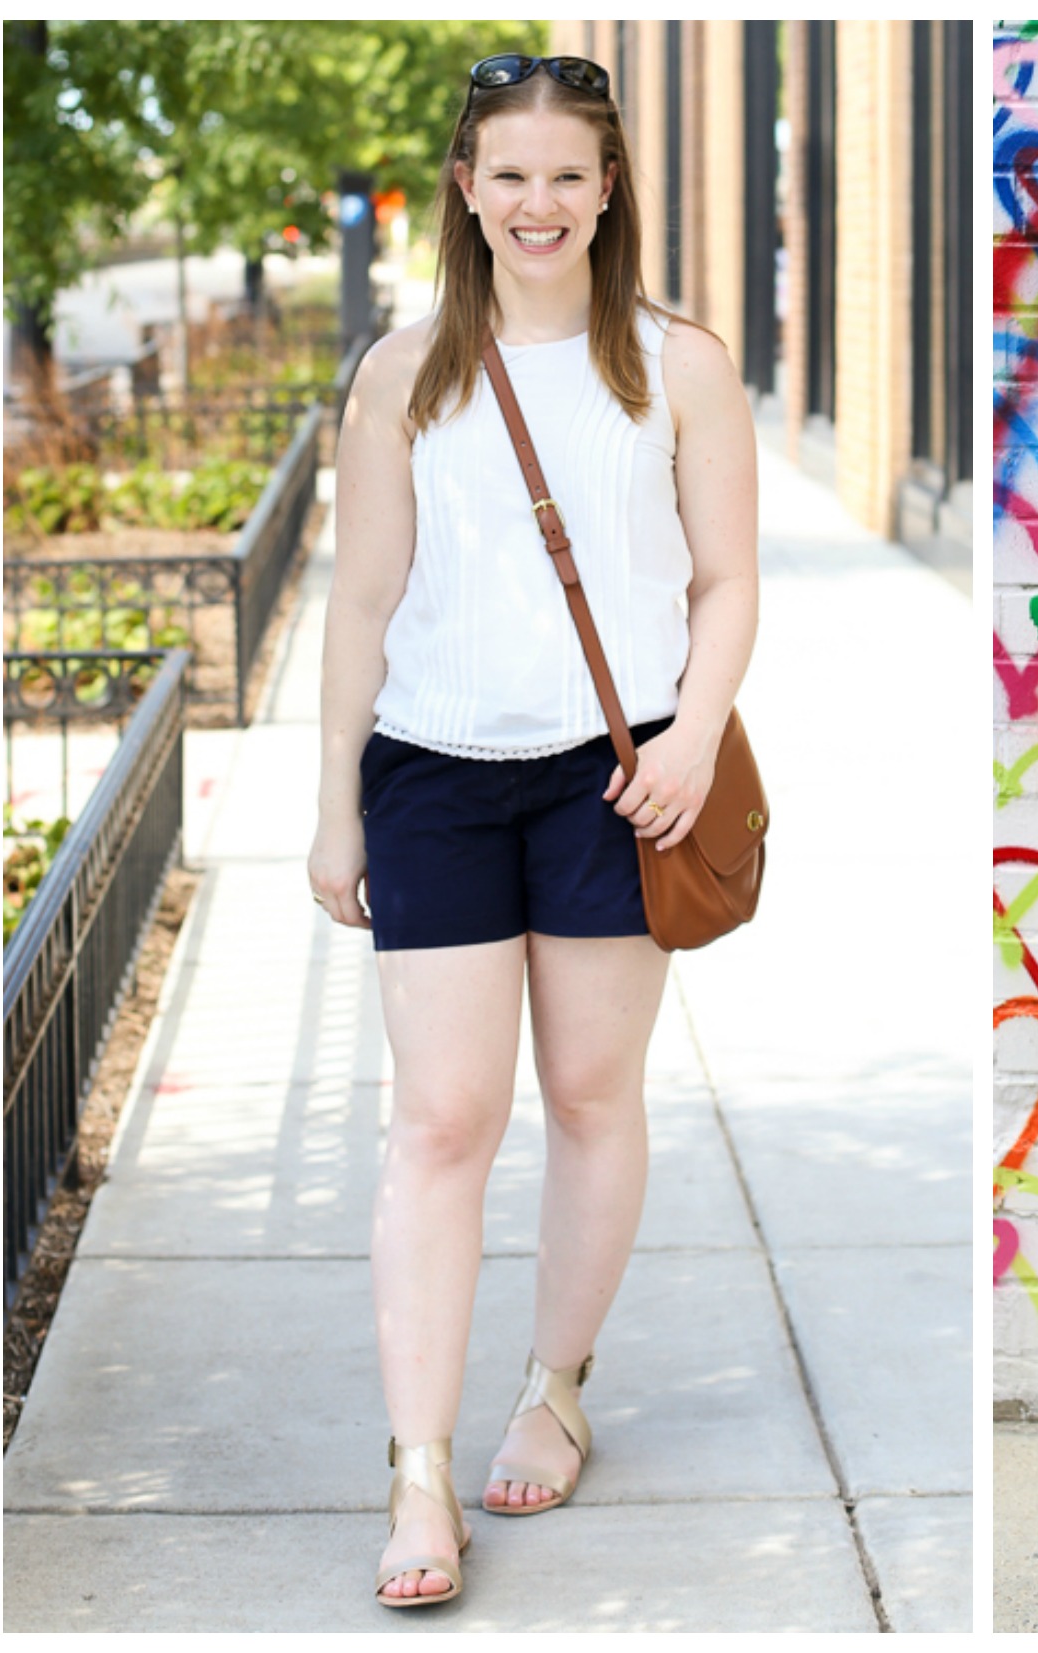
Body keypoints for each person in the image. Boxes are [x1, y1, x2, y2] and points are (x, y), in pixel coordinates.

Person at [306, 53, 758, 1607]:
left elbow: (724, 580)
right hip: (431, 773)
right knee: (440, 1118)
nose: (538, 202)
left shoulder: (678, 365)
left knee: (585, 1091)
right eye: (509, 171)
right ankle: (419, 1472)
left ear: (613, 186)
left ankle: (555, 1384)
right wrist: (331, 803)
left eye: (568, 173)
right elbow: (361, 599)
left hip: (611, 778)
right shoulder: (405, 370)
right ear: (463, 184)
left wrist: (696, 736)